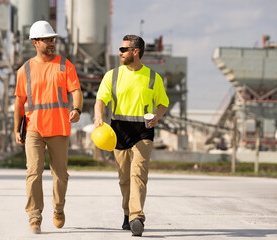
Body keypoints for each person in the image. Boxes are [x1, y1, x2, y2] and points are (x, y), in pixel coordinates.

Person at [94, 35, 169, 236]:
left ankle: (137, 217)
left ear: (135, 52)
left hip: (143, 131)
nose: (120, 52)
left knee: (139, 175)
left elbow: (163, 103)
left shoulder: (153, 77)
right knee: (124, 178)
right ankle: (127, 213)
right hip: (119, 130)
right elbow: (101, 99)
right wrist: (98, 116)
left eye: (123, 49)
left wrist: (157, 117)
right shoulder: (113, 75)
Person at [14, 20, 83, 234]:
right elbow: (19, 102)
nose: (51, 43)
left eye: (53, 39)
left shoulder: (65, 65)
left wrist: (77, 109)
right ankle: (34, 218)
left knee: (60, 175)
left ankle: (58, 209)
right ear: (35, 42)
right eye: (46, 40)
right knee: (33, 173)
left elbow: (76, 91)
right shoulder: (24, 70)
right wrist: (17, 128)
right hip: (34, 128)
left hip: (59, 128)